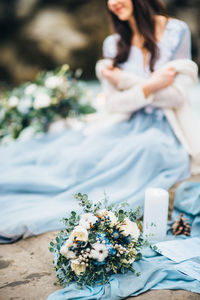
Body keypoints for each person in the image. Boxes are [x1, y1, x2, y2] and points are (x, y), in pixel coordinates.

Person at [0, 0, 198, 243]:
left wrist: (125, 80)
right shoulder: (113, 43)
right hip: (122, 123)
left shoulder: (176, 31)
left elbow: (177, 96)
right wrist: (152, 85)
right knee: (82, 157)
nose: (113, 3)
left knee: (148, 150)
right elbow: (115, 104)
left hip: (164, 128)